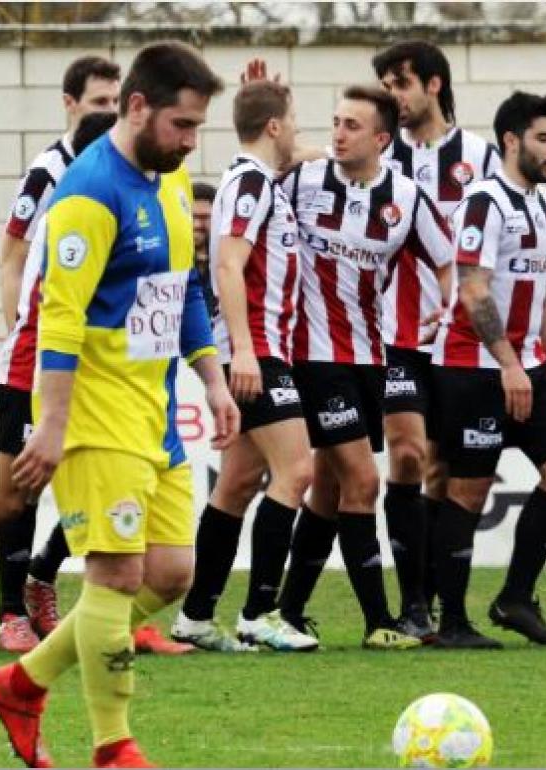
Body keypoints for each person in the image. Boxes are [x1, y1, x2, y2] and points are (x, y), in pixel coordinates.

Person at [0, 42, 234, 768]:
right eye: (181, 125)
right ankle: (112, 744)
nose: (190, 142)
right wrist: (52, 424)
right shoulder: (89, 194)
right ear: (136, 107)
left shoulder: (172, 180)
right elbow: (58, 318)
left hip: (153, 407)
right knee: (115, 577)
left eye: (197, 128)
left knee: (171, 577)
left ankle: (21, 683)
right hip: (92, 410)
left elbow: (183, 286)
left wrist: (211, 377)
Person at [274, 86, 452, 649]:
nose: (339, 133)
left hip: (368, 359)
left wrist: (444, 309)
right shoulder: (302, 181)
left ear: (380, 138)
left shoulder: (405, 195)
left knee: (328, 490)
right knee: (364, 480)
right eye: (335, 122)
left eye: (352, 124)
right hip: (312, 356)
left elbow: (446, 261)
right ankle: (380, 623)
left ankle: (289, 611)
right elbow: (256, 180)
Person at [0, 56, 121, 655]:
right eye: (98, 104)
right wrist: (20, 336)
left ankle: (41, 578)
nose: (109, 113)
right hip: (38, 356)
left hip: (95, 360)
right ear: (69, 103)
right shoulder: (51, 173)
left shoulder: (122, 176)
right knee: (15, 492)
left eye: (116, 103)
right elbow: (12, 256)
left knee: (109, 477)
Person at [430, 91, 546, 648]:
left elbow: (533, 286)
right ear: (512, 141)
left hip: (530, 366)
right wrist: (510, 364)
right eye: (544, 138)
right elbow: (473, 290)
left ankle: (515, 597)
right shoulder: (482, 203)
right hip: (475, 369)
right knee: (467, 491)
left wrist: (542, 350)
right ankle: (450, 621)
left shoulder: (545, 204)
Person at [171, 79, 317, 653]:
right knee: (298, 471)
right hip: (256, 353)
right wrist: (245, 350)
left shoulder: (257, 178)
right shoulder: (251, 183)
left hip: (257, 350)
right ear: (275, 127)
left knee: (234, 485)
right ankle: (260, 612)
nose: (300, 135)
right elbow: (228, 268)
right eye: (295, 123)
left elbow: (305, 153)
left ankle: (196, 616)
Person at [372, 40, 502, 641]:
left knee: (447, 474)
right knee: (406, 455)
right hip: (393, 337)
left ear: (434, 84)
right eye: (387, 84)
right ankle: (413, 602)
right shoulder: (377, 152)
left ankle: (449, 609)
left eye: (400, 83)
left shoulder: (481, 156)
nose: (393, 96)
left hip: (459, 343)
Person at [190, 181, 218, 315]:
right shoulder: (171, 261)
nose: (196, 225)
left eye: (204, 217)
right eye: (191, 217)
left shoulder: (228, 262)